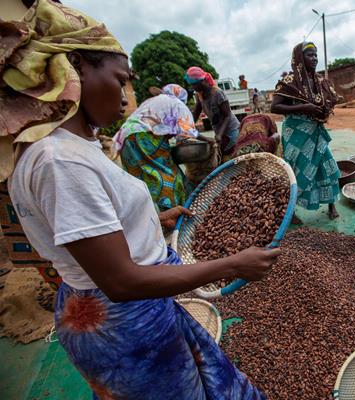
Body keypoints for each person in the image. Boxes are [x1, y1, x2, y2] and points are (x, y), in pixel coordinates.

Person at [1, 1, 278, 398]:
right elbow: (120, 280)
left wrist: (151, 219)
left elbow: (92, 231)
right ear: (75, 67)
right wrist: (232, 265)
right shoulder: (59, 160)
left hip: (129, 313)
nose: (127, 98)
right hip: (124, 322)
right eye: (121, 79)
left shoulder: (71, 147)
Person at [270, 41, 340, 222]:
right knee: (295, 171)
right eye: (310, 55)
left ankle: (331, 204)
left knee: (328, 167)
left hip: (316, 132)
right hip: (296, 134)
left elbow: (330, 100)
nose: (315, 59)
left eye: (316, 55)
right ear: (300, 58)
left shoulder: (320, 81)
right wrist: (305, 107)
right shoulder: (289, 82)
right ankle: (291, 212)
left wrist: (327, 106)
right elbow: (275, 107)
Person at [112, 83, 200, 212]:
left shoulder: (152, 101)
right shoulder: (176, 102)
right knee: (168, 175)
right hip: (143, 137)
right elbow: (187, 133)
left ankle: (155, 216)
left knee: (142, 180)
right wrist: (206, 140)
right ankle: (174, 213)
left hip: (126, 137)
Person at [187, 67, 240, 160]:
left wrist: (220, 134)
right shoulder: (199, 95)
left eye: (194, 85)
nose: (193, 87)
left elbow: (227, 115)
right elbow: (196, 114)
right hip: (218, 130)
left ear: (202, 81)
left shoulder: (217, 93)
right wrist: (188, 127)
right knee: (222, 157)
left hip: (231, 130)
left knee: (233, 157)